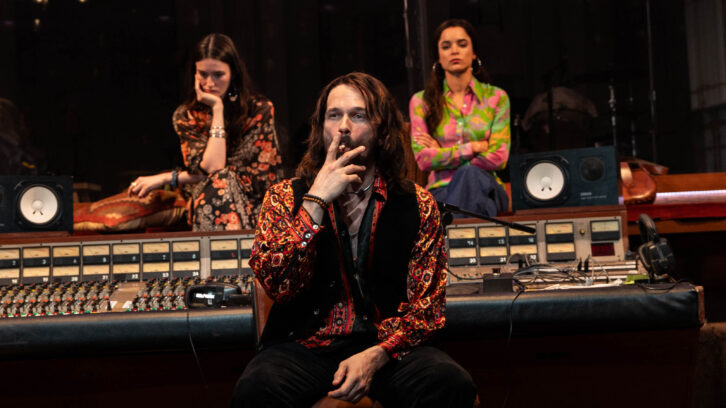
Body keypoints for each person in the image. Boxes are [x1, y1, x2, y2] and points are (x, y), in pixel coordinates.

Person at [232, 72, 476, 407]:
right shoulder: (283, 198)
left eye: (357, 115)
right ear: (322, 128)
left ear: (381, 129)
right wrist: (316, 200)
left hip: (387, 348)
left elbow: (427, 309)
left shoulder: (418, 204)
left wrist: (377, 355)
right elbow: (279, 284)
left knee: (451, 384)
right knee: (255, 389)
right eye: (334, 116)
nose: (344, 126)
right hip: (306, 346)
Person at [128, 33, 282, 230]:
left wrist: (168, 177)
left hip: (256, 203)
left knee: (222, 184)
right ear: (194, 73)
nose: (209, 83)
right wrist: (218, 110)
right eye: (203, 74)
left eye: (218, 75)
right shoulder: (187, 115)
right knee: (218, 187)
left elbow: (235, 174)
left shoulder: (259, 109)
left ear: (233, 72)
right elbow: (213, 168)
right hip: (209, 201)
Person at [409, 19, 510, 217]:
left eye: (462, 44)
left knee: (469, 174)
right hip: (441, 192)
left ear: (474, 53)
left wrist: (444, 153)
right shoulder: (422, 101)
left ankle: (451, 241)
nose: (454, 51)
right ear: (438, 56)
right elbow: (423, 159)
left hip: (488, 187)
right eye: (446, 46)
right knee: (483, 209)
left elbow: (499, 157)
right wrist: (472, 148)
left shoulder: (496, 98)